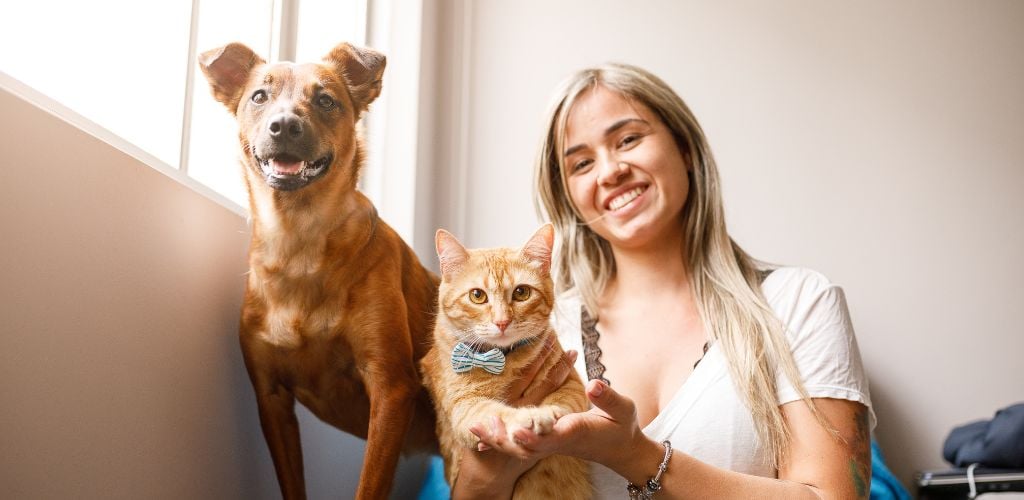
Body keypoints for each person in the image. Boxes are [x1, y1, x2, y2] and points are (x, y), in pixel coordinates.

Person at [451, 63, 874, 499]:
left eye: (629, 139)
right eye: (581, 163)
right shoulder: (529, 330)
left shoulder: (799, 302)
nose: (610, 170)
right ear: (569, 199)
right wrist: (491, 464)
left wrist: (637, 454)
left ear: (685, 148)